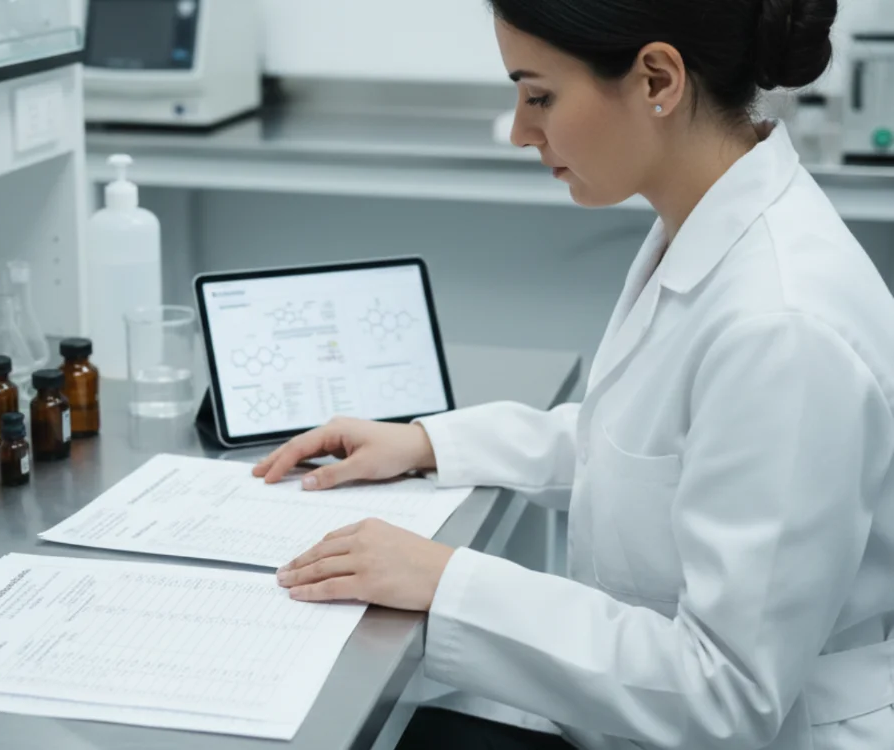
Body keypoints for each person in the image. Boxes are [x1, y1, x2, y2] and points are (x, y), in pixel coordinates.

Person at [254, 1, 894, 748]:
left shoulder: (782, 325)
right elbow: (644, 447)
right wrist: (425, 443)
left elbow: (728, 695)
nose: (522, 131)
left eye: (539, 96)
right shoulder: (707, 225)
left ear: (657, 77)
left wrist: (446, 580)